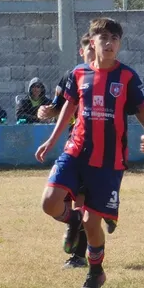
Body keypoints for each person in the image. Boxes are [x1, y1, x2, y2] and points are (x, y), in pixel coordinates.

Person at [35, 18, 144, 288]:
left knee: (94, 222)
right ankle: (72, 219)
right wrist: (51, 141)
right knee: (49, 203)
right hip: (76, 151)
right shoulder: (79, 74)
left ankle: (95, 272)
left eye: (114, 38)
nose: (109, 42)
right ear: (92, 42)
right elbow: (68, 109)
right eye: (103, 38)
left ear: (120, 44)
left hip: (108, 161)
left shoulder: (127, 77)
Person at [38, 34, 98, 268]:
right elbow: (58, 107)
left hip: (99, 149)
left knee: (82, 202)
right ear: (82, 53)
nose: (95, 56)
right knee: (53, 202)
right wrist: (47, 111)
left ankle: (78, 257)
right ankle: (73, 221)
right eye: (90, 51)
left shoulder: (110, 76)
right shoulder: (72, 76)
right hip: (74, 144)